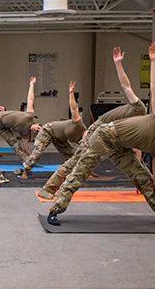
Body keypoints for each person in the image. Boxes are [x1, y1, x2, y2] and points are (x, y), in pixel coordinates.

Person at [47, 43, 155, 226]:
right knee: (81, 172)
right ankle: (55, 210)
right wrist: (153, 62)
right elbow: (153, 90)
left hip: (120, 147)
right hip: (105, 136)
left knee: (144, 177)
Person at [37, 46, 146, 198]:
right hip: (97, 130)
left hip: (110, 137)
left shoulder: (139, 128)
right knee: (75, 162)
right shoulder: (139, 108)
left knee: (133, 163)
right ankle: (48, 188)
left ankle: (151, 189)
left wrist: (140, 181)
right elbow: (125, 85)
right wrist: (118, 64)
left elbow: (136, 151)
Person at [19, 80, 85, 179]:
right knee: (37, 153)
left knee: (71, 155)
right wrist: (71, 93)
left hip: (60, 138)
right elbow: (73, 108)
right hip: (48, 131)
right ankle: (26, 169)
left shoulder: (84, 140)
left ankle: (80, 172)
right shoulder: (79, 123)